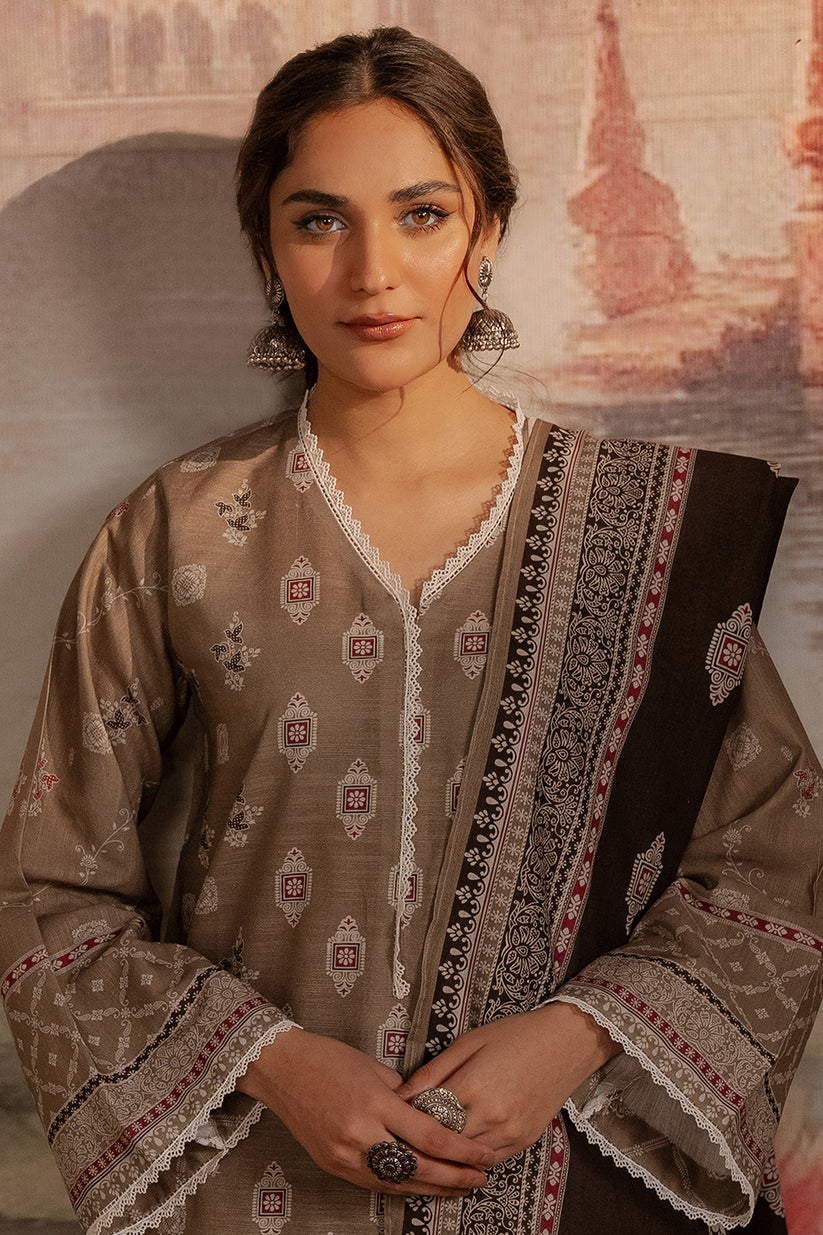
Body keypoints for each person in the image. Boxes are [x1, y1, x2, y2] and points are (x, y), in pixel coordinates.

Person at [1, 25, 821, 1235]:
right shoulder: (178, 532)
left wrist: (576, 1033)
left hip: (569, 1179)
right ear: (268, 249)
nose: (371, 271)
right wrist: (274, 1060)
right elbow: (47, 887)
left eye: (422, 215)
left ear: (488, 230)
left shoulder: (648, 529)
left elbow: (774, 861)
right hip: (262, 1186)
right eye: (318, 220)